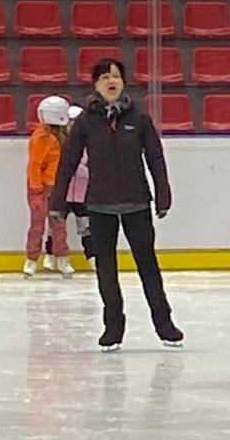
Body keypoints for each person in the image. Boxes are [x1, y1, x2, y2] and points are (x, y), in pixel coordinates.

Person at [50, 57, 183, 350]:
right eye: (104, 77)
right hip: (99, 205)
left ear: (123, 82)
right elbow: (68, 163)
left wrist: (163, 195)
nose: (111, 81)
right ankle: (113, 327)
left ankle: (164, 324)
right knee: (106, 269)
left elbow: (155, 158)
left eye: (116, 76)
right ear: (95, 84)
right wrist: (58, 201)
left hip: (137, 203)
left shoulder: (140, 118)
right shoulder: (85, 122)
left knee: (148, 266)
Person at [24, 95, 74, 278]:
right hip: (41, 186)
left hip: (56, 186)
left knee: (59, 224)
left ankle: (62, 258)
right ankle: (31, 259)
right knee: (38, 225)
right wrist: (36, 191)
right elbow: (35, 165)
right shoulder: (42, 138)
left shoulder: (62, 136)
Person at [64, 102, 92, 261]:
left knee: (86, 226)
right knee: (57, 226)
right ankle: (54, 255)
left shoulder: (90, 145)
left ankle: (92, 255)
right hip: (64, 193)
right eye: (70, 122)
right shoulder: (61, 143)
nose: (72, 126)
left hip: (83, 195)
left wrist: (80, 169)